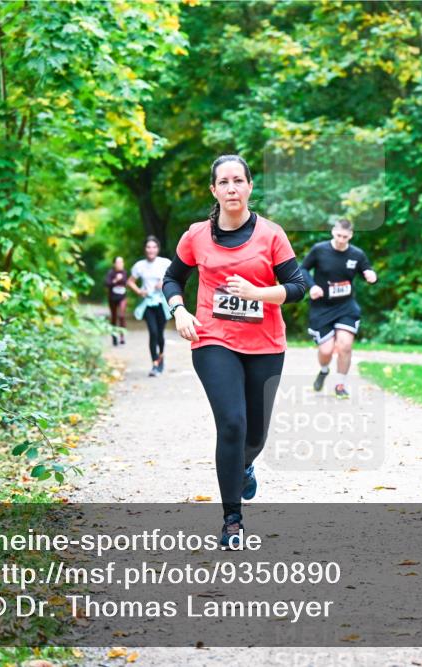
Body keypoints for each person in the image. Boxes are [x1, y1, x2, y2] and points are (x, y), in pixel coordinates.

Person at [162, 155, 307, 548]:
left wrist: (258, 293)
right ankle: (232, 521)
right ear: (214, 190)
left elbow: (298, 286)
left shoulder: (271, 235)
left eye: (238, 181)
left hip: (265, 344)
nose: (231, 188)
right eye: (223, 182)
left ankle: (243, 465)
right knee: (231, 423)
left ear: (249, 187)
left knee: (254, 435)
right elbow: (173, 278)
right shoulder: (195, 236)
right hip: (213, 339)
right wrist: (179, 310)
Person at [301, 219, 377, 399]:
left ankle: (340, 384)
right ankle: (324, 370)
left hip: (346, 307)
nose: (341, 239)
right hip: (322, 307)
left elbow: (367, 269)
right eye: (338, 235)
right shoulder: (319, 250)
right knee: (326, 351)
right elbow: (303, 269)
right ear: (333, 232)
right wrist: (311, 286)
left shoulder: (357, 254)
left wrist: (371, 275)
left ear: (351, 235)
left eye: (345, 236)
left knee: (345, 345)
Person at [127, 236, 173, 377]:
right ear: (145, 249)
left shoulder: (165, 263)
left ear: (158, 249)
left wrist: (164, 283)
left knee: (160, 334)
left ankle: (161, 359)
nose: (151, 250)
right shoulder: (139, 265)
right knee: (152, 332)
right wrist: (139, 291)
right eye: (148, 247)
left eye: (154, 247)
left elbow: (175, 277)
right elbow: (130, 282)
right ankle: (154, 364)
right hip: (148, 303)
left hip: (162, 303)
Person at [104, 257, 128, 346]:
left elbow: (126, 282)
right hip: (112, 298)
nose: (120, 264)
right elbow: (107, 283)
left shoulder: (124, 272)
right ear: (114, 264)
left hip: (122, 297)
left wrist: (122, 281)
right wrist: (115, 280)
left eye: (121, 262)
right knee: (114, 317)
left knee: (121, 315)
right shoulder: (111, 273)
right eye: (118, 262)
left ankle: (122, 336)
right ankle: (114, 336)